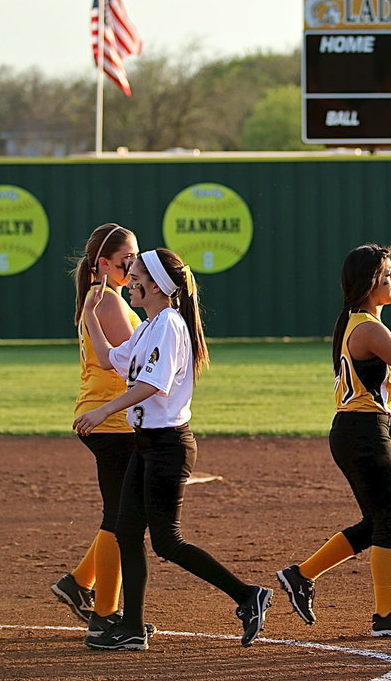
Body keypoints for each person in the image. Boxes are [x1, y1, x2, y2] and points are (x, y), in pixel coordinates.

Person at [73, 248, 273, 651]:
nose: (130, 280)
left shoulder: (168, 325)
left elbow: (152, 384)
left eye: (138, 274)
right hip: (148, 444)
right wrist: (90, 313)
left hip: (168, 447)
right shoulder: (151, 326)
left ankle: (248, 594)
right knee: (128, 533)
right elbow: (112, 359)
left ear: (159, 286)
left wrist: (103, 411)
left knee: (167, 542)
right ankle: (131, 627)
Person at [277, 244, 391, 638]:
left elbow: (376, 387)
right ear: (369, 283)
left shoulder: (357, 322)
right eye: (388, 276)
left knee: (377, 521)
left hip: (358, 430)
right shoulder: (368, 327)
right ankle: (386, 615)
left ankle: (300, 576)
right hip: (363, 434)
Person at [50, 223, 142, 638]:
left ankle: (80, 583)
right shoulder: (106, 300)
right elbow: (127, 361)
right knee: (120, 519)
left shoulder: (104, 298)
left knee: (122, 514)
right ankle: (104, 613)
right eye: (126, 259)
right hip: (111, 420)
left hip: (108, 417)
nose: (133, 264)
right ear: (102, 264)